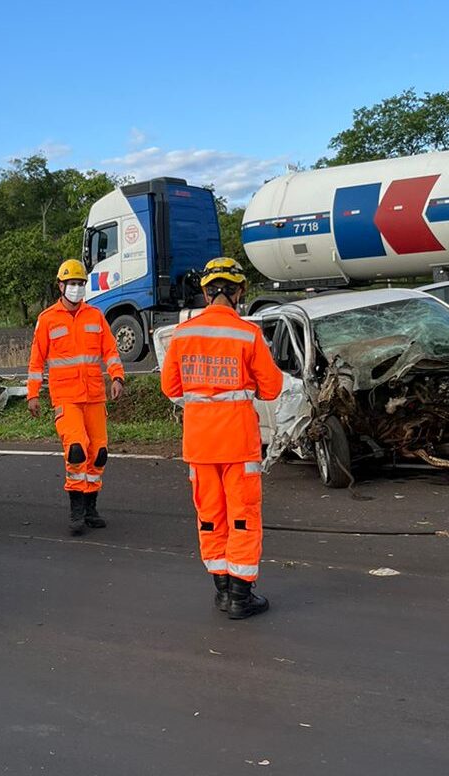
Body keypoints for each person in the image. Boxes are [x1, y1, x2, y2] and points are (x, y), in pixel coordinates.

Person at [160, 257, 283, 620]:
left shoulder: (182, 335)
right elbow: (273, 387)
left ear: (205, 292)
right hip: (238, 441)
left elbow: (170, 387)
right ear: (239, 291)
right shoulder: (247, 334)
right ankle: (240, 597)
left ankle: (223, 590)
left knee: (211, 517)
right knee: (242, 517)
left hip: (199, 444)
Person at [26, 260, 125, 535]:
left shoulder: (95, 316)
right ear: (60, 285)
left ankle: (91, 505)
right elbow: (37, 361)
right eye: (72, 284)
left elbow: (111, 351)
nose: (76, 289)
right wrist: (32, 394)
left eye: (81, 284)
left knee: (99, 453)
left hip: (95, 395)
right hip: (66, 397)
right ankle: (76, 509)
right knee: (76, 449)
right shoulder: (47, 319)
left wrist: (117, 377)